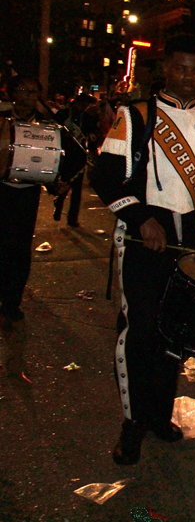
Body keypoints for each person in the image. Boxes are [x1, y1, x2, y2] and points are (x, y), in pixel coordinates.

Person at [94, 34, 195, 465]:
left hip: (190, 238)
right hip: (145, 231)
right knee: (142, 328)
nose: (189, 78)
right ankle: (132, 424)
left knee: (175, 331)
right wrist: (139, 218)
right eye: (181, 68)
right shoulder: (135, 117)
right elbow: (107, 177)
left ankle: (159, 415)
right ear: (166, 69)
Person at [0, 76, 49, 378]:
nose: (28, 96)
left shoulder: (46, 125)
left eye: (33, 91)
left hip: (27, 192)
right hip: (2, 188)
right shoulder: (3, 120)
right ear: (12, 93)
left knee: (19, 247)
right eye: (23, 90)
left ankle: (12, 302)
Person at [52, 94, 98, 227]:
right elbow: (54, 129)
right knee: (65, 183)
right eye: (83, 104)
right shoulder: (63, 114)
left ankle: (72, 219)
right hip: (65, 154)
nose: (84, 107)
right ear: (77, 102)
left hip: (80, 155)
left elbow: (92, 134)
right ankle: (58, 205)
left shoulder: (88, 117)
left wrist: (93, 138)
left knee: (77, 191)